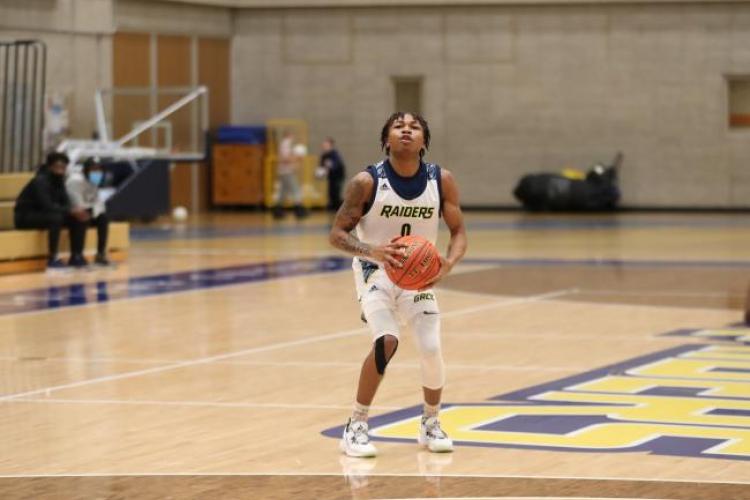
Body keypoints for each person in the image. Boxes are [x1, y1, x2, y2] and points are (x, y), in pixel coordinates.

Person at [329, 112, 468, 457]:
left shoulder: (442, 180)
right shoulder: (366, 182)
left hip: (417, 276)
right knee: (386, 340)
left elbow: (459, 233)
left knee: (431, 348)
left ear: (424, 140)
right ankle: (356, 425)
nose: (406, 129)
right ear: (386, 140)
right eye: (398, 125)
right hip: (373, 271)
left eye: (415, 126)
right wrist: (370, 250)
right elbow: (336, 234)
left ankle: (430, 423)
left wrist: (448, 262)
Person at [14, 152, 89, 269]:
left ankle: (76, 256)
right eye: (58, 167)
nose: (60, 170)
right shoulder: (39, 181)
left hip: (45, 215)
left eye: (63, 167)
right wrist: (70, 210)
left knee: (79, 217)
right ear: (50, 167)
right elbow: (47, 206)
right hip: (25, 217)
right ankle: (53, 259)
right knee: (56, 217)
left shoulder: (60, 181)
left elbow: (66, 203)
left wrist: (75, 211)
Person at [66, 157, 111, 266]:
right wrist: (92, 208)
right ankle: (77, 255)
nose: (97, 173)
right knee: (82, 216)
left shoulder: (94, 181)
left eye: (99, 170)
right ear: (85, 170)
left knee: (103, 218)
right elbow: (78, 204)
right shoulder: (74, 181)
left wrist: (93, 209)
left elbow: (100, 204)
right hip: (69, 213)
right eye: (94, 170)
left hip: (87, 211)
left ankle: (100, 254)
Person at [273, 130, 308, 220]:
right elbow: (285, 159)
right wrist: (297, 158)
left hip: (283, 171)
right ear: (289, 135)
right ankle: (299, 210)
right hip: (287, 171)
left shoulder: (284, 145)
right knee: (296, 189)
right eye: (292, 135)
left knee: (283, 192)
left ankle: (278, 210)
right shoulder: (286, 144)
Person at [319, 137, 346, 212]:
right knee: (331, 193)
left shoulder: (335, 154)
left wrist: (331, 166)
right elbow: (321, 166)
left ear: (331, 146)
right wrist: (319, 173)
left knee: (336, 192)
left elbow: (337, 165)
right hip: (331, 177)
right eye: (323, 145)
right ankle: (333, 207)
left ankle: (339, 208)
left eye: (326, 145)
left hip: (338, 176)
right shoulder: (324, 156)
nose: (324, 147)